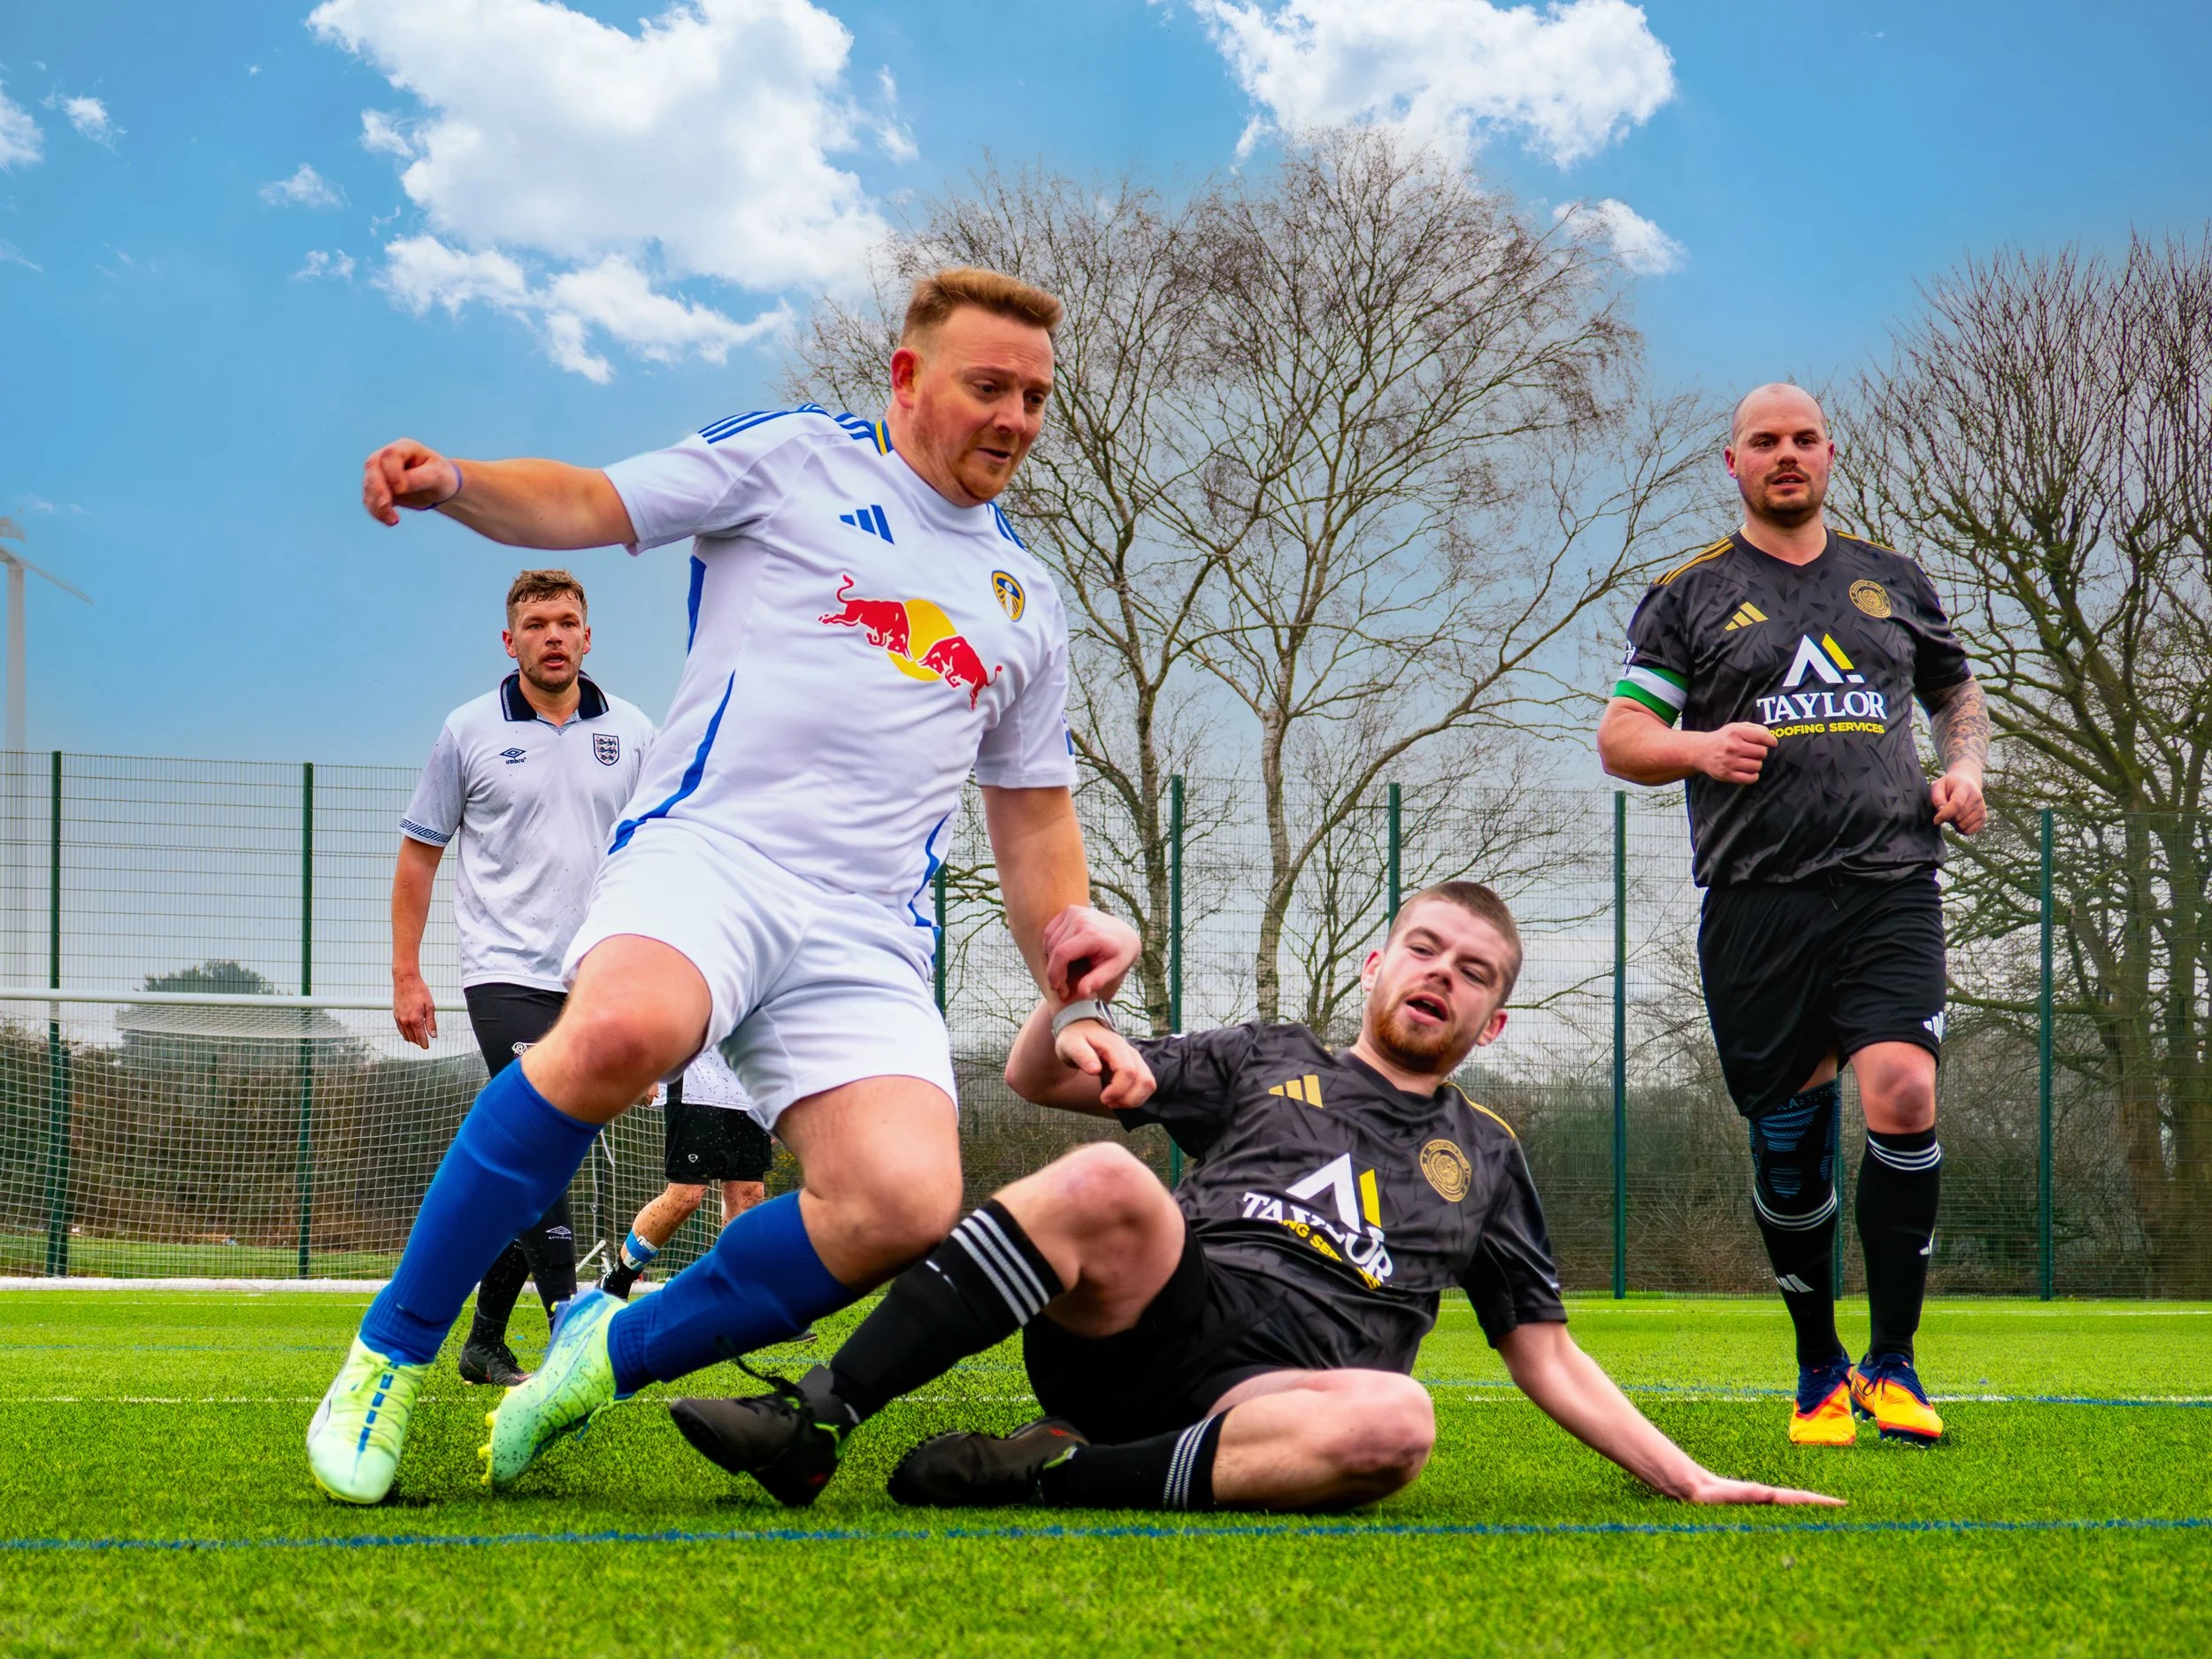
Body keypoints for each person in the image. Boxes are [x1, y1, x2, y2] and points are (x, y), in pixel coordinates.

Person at [307, 266, 1143, 1505]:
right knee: (627, 1028)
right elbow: (593, 498)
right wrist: (460, 486)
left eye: (1035, 395)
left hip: (868, 927)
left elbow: (1032, 822)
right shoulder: (798, 458)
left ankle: (604, 1351)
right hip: (713, 855)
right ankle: (390, 1351)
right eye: (989, 386)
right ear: (909, 377)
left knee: (905, 1198)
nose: (1016, 417)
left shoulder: (1029, 597)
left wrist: (1072, 975)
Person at [666, 884, 1839, 1517]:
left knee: (1400, 1425)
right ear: (1378, 965)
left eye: (1472, 971)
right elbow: (1036, 1075)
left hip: (1281, 1399)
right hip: (1149, 1322)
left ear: (1494, 1022)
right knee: (1110, 1177)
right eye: (1423, 947)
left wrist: (1684, 1474)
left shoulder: (1488, 1152)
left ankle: (1043, 1472)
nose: (1441, 971)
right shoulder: (1263, 1052)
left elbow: (1547, 1352)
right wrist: (1072, 1009)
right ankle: (816, 1421)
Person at [1596, 383, 1989, 1448]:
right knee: (1789, 1144)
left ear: (1828, 454)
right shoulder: (1688, 594)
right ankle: (1819, 1369)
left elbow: (1956, 691)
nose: (1785, 455)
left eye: (1802, 439)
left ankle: (1895, 1366)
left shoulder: (1891, 580)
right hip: (1757, 904)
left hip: (1888, 886)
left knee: (1903, 1090)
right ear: (1731, 463)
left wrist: (1962, 769)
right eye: (1763, 442)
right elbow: (1621, 735)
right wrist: (1694, 748)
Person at [388, 568, 654, 1390]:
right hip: (503, 973)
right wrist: (407, 971)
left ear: (587, 636)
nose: (553, 634)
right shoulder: (468, 731)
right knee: (546, 1137)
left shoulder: (637, 731)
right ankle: (569, 1321)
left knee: (536, 1157)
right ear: (510, 641)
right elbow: (419, 855)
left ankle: (485, 1339)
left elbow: (657, 856)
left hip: (600, 974)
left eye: (567, 621)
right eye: (536, 623)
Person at [601, 1045, 776, 1302]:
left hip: (750, 1087)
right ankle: (617, 1281)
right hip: (694, 1083)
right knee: (686, 1196)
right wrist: (646, 1070)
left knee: (748, 1194)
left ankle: (739, 1296)